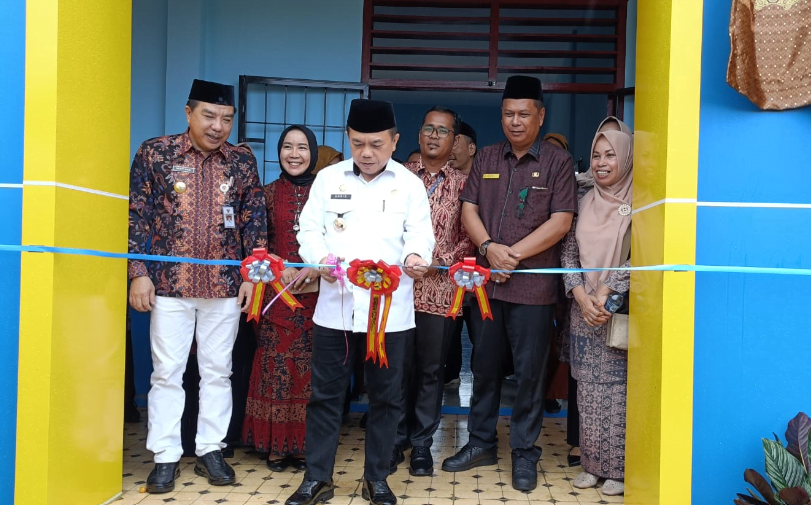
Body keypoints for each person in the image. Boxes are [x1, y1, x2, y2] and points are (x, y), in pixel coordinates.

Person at [285, 99, 434, 505]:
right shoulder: (328, 179)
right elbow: (310, 230)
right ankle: (317, 478)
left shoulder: (409, 183)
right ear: (348, 139)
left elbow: (419, 234)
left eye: (376, 144)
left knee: (386, 398)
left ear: (394, 140)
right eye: (357, 143)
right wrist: (319, 260)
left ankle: (377, 478)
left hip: (390, 315)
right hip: (336, 309)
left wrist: (416, 258)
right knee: (325, 396)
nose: (366, 153)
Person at [128, 79, 268, 493]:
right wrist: (138, 272)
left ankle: (210, 449)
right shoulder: (156, 153)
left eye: (226, 118)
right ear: (188, 113)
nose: (217, 126)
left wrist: (251, 277)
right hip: (169, 284)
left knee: (217, 372)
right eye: (208, 115)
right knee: (167, 372)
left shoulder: (242, 160)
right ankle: (166, 455)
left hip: (225, 286)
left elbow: (253, 221)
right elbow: (138, 216)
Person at [442, 75, 577, 492]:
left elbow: (561, 221)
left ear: (540, 116)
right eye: (508, 114)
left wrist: (511, 255)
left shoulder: (557, 162)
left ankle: (524, 450)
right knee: (483, 368)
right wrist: (487, 247)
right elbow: (468, 208)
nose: (515, 122)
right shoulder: (486, 157)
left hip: (532, 292)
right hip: (486, 287)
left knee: (529, 375)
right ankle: (480, 441)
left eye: (523, 114)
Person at [394, 106, 474, 477]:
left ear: (455, 140)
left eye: (442, 131)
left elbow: (469, 241)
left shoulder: (465, 185)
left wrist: (435, 258)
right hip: (395, 291)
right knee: (395, 368)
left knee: (429, 371)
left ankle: (422, 444)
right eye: (428, 128)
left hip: (440, 293)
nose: (433, 135)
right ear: (419, 134)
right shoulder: (397, 176)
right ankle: (394, 439)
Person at [242, 125, 321, 471]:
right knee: (275, 366)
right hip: (275, 297)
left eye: (302, 147)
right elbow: (257, 244)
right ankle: (275, 445)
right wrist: (277, 268)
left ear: (313, 153)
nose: (294, 154)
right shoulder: (267, 193)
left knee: (310, 370)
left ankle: (303, 446)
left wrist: (317, 268)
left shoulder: (327, 192)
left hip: (320, 296)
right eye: (287, 147)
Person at [561, 129, 633, 497]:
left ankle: (618, 469)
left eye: (610, 155)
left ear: (626, 157)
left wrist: (604, 293)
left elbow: (642, 256)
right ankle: (591, 464)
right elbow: (568, 253)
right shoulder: (584, 198)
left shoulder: (642, 201)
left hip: (616, 311)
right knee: (586, 392)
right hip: (582, 310)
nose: (602, 163)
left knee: (618, 394)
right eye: (597, 155)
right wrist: (580, 295)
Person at [443, 121, 477, 385]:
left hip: (481, 276)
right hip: (446, 275)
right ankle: (450, 374)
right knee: (447, 334)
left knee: (481, 334)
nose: (450, 149)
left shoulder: (487, 181)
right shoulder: (442, 183)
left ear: (472, 148)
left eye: (456, 143)